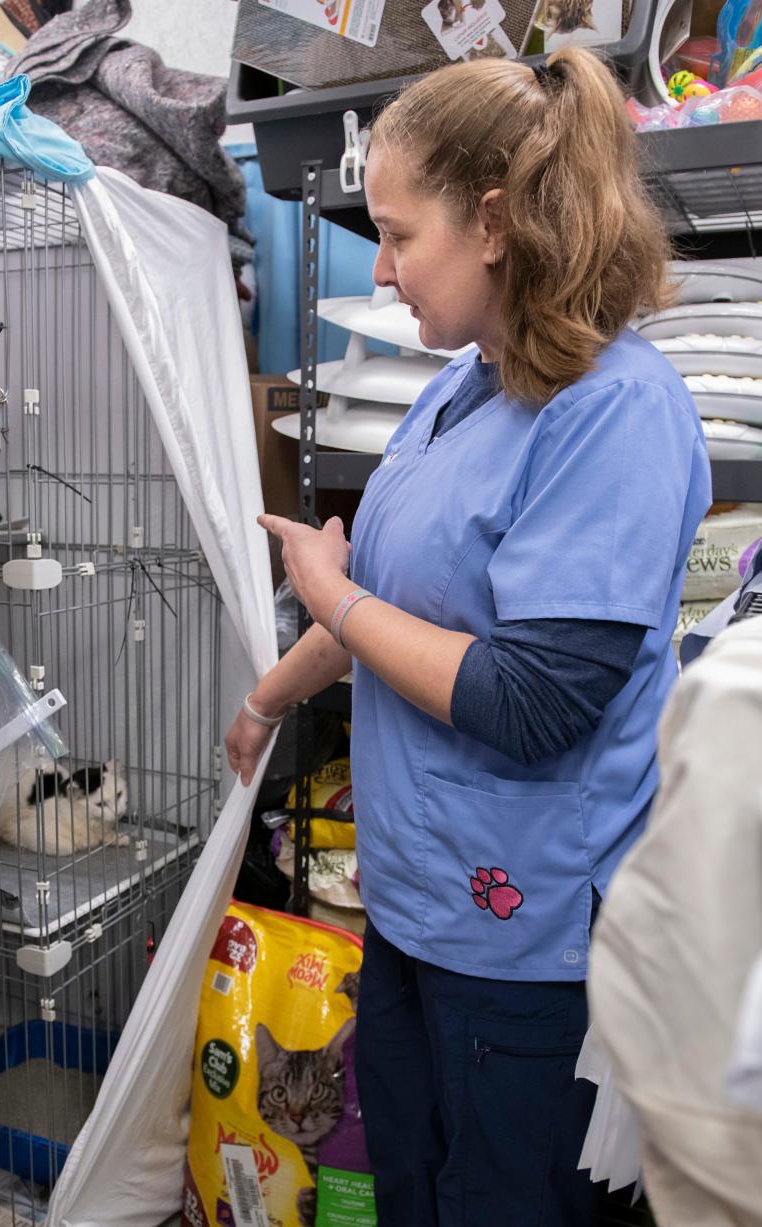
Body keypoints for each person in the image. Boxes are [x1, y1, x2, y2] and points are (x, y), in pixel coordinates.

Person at [224, 47, 711, 1227]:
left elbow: (529, 699)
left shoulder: (616, 415)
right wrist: (270, 698)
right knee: (410, 1191)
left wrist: (330, 596)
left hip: (527, 951)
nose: (381, 269)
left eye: (398, 235)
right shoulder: (461, 389)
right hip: (412, 910)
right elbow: (388, 607)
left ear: (493, 223)